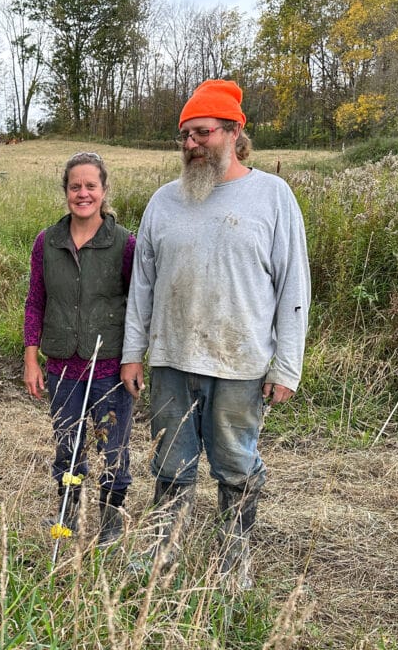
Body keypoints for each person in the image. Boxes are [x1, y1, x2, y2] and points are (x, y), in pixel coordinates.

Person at [120, 79, 311, 589]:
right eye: (184, 136)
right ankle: (164, 553)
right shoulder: (164, 202)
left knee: (235, 466)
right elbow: (143, 284)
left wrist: (286, 365)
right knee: (170, 464)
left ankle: (233, 563)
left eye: (201, 133)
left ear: (234, 132)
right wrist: (132, 354)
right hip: (172, 362)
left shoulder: (272, 196)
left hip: (241, 364)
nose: (190, 145)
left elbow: (294, 284)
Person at [23, 151, 137, 546]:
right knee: (67, 448)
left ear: (104, 191)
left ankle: (110, 522)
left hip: (109, 369)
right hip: (62, 369)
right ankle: (67, 514)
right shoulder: (47, 242)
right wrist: (31, 357)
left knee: (114, 450)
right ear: (66, 191)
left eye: (91, 186)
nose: (83, 193)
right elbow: (36, 300)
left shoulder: (124, 243)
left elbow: (138, 306)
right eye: (75, 186)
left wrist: (133, 360)